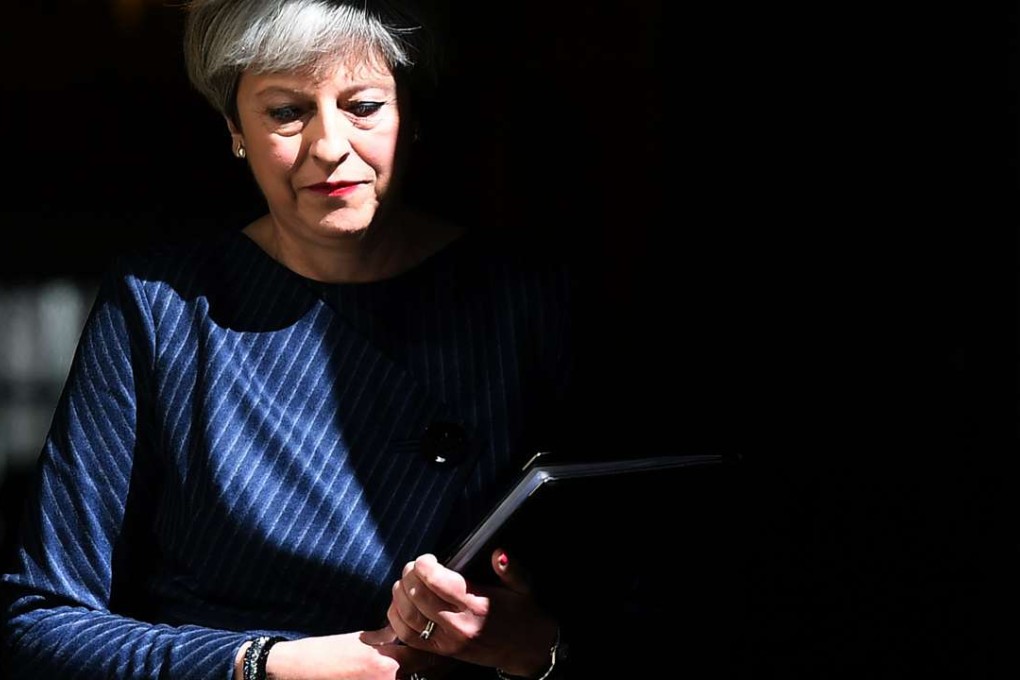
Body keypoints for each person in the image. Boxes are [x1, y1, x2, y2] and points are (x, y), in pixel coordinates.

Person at [0, 1, 587, 678]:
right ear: (234, 129)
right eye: (286, 112)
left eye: (363, 105)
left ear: (412, 114)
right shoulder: (159, 306)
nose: (330, 145)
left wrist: (538, 645)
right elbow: (38, 623)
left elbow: (650, 592)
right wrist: (266, 664)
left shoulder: (526, 301)